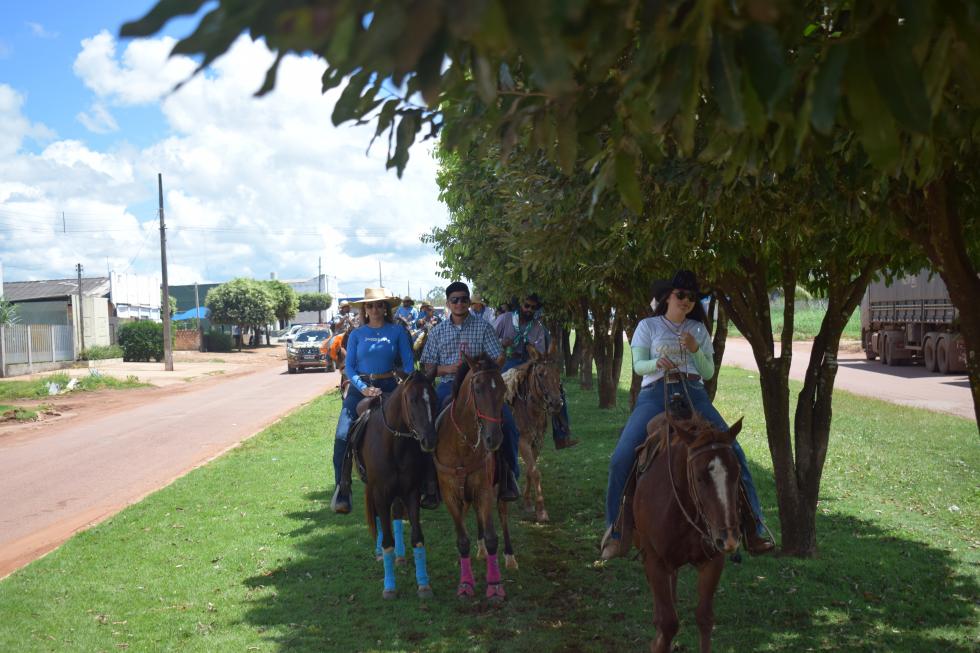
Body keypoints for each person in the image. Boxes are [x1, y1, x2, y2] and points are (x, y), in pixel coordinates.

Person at [600, 270, 774, 559]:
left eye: (692, 297)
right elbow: (639, 365)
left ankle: (753, 528)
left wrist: (695, 350)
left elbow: (707, 372)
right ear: (667, 297)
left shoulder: (698, 330)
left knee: (734, 452)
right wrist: (657, 362)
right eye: (681, 294)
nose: (687, 300)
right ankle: (616, 532)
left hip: (693, 392)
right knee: (621, 458)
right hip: (655, 393)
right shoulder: (648, 326)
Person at [420, 281, 520, 501]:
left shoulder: (483, 327)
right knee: (427, 425)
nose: (459, 303)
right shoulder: (437, 332)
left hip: (480, 386)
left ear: (469, 301)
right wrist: (450, 369)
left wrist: (484, 369)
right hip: (448, 384)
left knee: (507, 422)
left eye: (464, 299)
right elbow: (428, 367)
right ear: (448, 303)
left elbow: (499, 356)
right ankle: (429, 482)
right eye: (454, 300)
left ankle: (509, 476)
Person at [331, 288, 416, 514]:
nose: (375, 309)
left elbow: (409, 364)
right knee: (342, 435)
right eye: (370, 305)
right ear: (364, 310)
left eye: (380, 305)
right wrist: (363, 388)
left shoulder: (397, 331)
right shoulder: (357, 334)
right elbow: (349, 367)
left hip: (391, 386)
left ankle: (426, 483)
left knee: (418, 427)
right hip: (360, 388)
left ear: (386, 308)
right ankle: (342, 487)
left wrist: (402, 385)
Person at [493, 293, 578, 450]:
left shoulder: (538, 327)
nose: (529, 310)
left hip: (529, 363)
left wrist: (527, 365)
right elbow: (488, 340)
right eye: (527, 306)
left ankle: (561, 436)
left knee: (557, 391)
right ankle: (493, 430)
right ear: (520, 305)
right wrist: (501, 343)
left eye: (533, 307)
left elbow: (539, 354)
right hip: (506, 360)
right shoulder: (504, 319)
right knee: (496, 390)